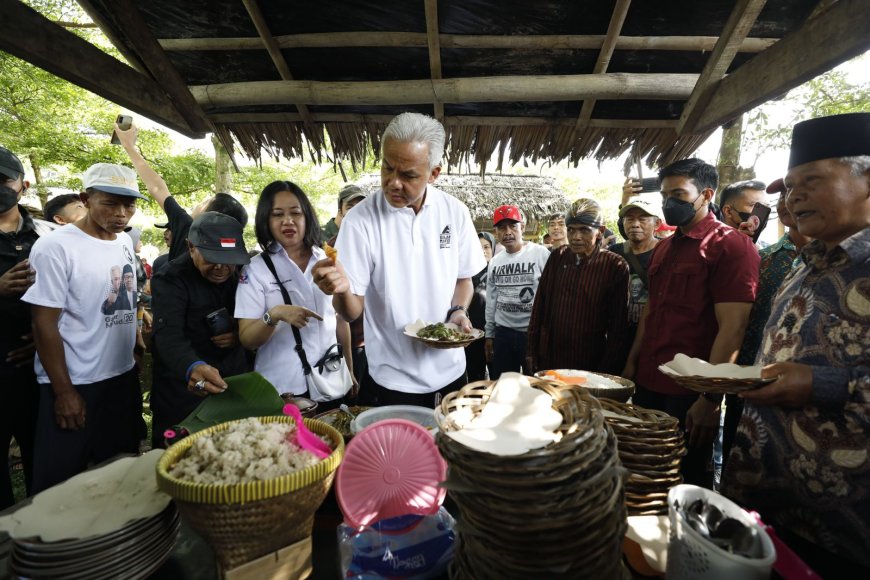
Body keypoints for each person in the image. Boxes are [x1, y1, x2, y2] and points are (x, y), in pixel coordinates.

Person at [722, 113, 870, 577]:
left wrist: (817, 385)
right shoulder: (806, 262)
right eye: (789, 186)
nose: (793, 196)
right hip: (765, 503)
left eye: (811, 181)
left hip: (842, 528)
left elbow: (818, 378)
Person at [312, 112, 486, 408]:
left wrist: (458, 311)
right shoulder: (360, 221)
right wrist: (340, 289)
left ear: (433, 174)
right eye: (387, 168)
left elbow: (463, 278)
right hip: (392, 378)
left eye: (408, 175)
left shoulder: (453, 212)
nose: (393, 183)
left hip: (452, 371)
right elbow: (351, 311)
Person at [622, 158, 759, 488]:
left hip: (690, 392)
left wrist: (711, 399)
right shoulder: (664, 248)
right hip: (648, 381)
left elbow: (733, 327)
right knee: (642, 471)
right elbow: (652, 310)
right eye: (666, 195)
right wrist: (631, 364)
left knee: (685, 479)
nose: (670, 202)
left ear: (706, 194)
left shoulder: (730, 246)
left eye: (679, 194)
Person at [23, 162, 146, 492]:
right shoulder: (55, 247)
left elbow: (123, 298)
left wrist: (134, 343)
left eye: (129, 205)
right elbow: (43, 322)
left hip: (119, 378)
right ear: (86, 198)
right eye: (110, 203)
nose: (121, 213)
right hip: (75, 381)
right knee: (60, 486)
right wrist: (64, 392)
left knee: (122, 475)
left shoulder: (121, 242)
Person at [235, 181, 355, 403]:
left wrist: (349, 369)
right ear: (266, 220)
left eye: (296, 213)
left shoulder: (328, 260)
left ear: (306, 217)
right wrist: (275, 314)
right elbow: (247, 340)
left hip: (331, 381)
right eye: (277, 214)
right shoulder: (255, 270)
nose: (288, 221)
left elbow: (340, 321)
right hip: (282, 390)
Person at [150, 212, 251, 448]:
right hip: (184, 393)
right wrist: (191, 367)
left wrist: (241, 333)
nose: (220, 267)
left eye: (228, 259)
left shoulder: (242, 275)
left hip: (233, 387)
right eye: (210, 258)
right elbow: (167, 335)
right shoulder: (170, 278)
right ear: (190, 247)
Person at [0, 146, 55, 508]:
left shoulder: (49, 237)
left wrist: (46, 341)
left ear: (24, 184)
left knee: (45, 463)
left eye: (4, 180)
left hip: (40, 369)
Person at [115, 123, 247, 263]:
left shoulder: (187, 227)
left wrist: (128, 146)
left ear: (208, 215)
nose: (198, 203)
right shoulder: (234, 256)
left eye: (204, 202)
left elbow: (157, 188)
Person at [526, 198, 630, 375]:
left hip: (591, 362)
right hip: (552, 357)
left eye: (584, 230)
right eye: (571, 230)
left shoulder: (615, 265)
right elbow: (540, 306)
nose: (576, 237)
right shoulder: (558, 257)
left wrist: (607, 370)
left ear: (600, 231)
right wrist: (531, 351)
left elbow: (618, 327)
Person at [485, 205, 550, 378]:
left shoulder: (540, 254)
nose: (507, 232)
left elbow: (551, 295)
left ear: (522, 227)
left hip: (532, 333)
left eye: (513, 226)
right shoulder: (495, 262)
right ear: (495, 232)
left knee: (537, 385)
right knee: (503, 385)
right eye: (502, 227)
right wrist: (489, 335)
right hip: (503, 334)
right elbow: (491, 301)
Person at [323, 185, 368, 386]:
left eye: (362, 205)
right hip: (346, 342)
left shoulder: (374, 244)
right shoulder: (329, 249)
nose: (356, 211)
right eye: (350, 206)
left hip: (374, 341)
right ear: (340, 211)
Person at [608, 196, 662, 345]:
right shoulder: (614, 252)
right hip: (618, 337)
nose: (635, 224)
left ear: (657, 224)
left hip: (653, 336)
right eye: (630, 219)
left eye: (643, 218)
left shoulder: (666, 251)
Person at [466, 232, 494, 382]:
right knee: (475, 379)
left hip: (493, 335)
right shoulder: (465, 276)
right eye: (478, 247)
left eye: (487, 247)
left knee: (497, 378)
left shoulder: (499, 272)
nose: (483, 251)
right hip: (471, 336)